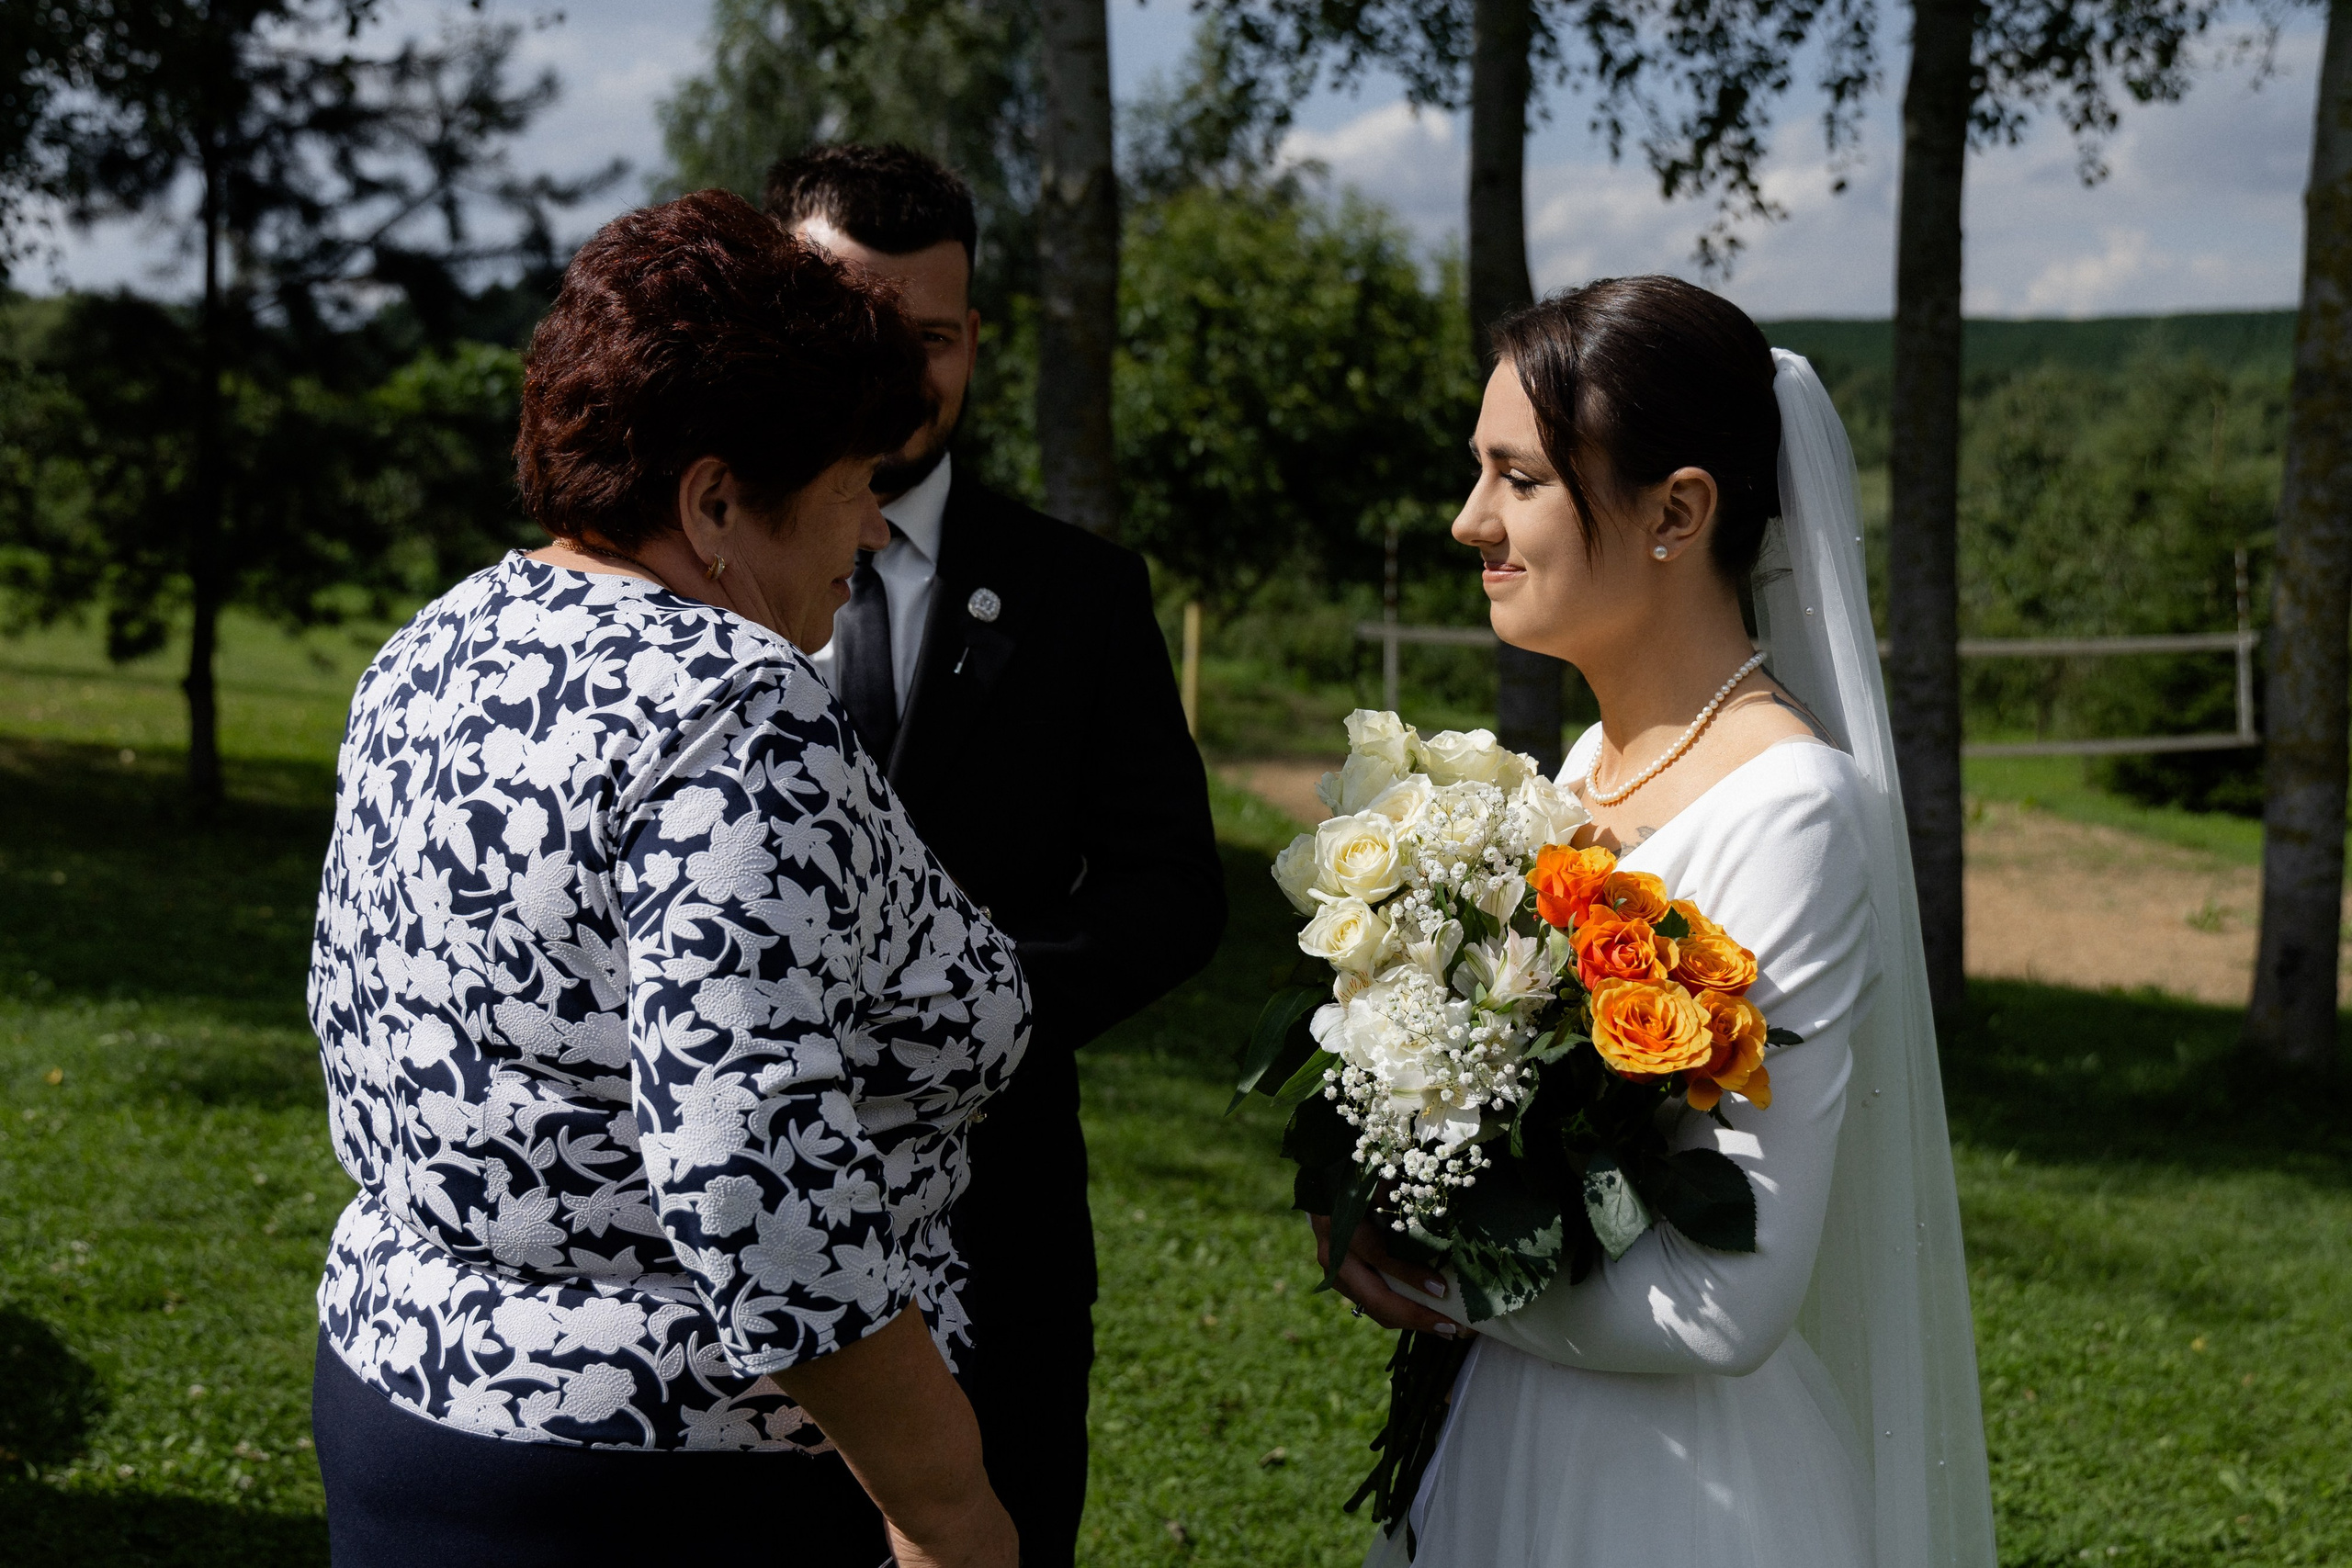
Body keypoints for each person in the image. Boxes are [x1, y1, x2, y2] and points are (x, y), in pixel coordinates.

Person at [307, 188, 1024, 1568]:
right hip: (671, 1476)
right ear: (712, 502)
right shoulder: (733, 707)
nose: (874, 532)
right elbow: (761, 1181)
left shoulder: (440, 641)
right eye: (852, 486)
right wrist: (949, 1515)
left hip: (400, 1393)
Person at [1320, 276, 1996, 1566]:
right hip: (1512, 1433)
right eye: (1481, 474)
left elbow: (1725, 1297)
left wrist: (1435, 1273)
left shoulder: (1791, 809)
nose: (1471, 521)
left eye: (1518, 480)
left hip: (1672, 1495)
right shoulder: (1580, 771)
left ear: (1678, 511)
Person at [762, 143, 1228, 1567]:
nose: (900, 372)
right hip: (735, 1251)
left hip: (1000, 1223)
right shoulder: (688, 577)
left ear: (977, 339)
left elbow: (1172, 892)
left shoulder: (1082, 595)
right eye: (853, 325)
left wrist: (962, 1014)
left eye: (936, 336)